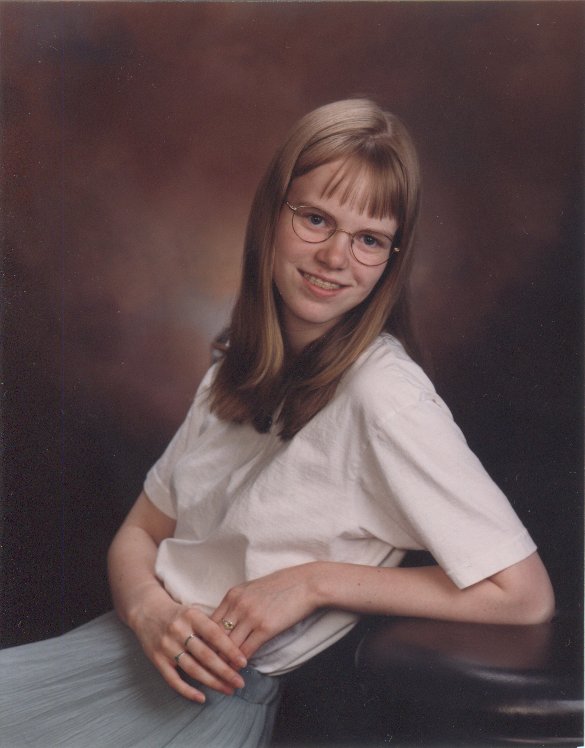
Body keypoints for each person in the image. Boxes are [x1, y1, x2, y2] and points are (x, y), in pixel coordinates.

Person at [0, 99, 554, 747]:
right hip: (118, 649)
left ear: (391, 259)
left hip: (201, 699)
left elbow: (523, 594)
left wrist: (314, 582)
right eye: (315, 219)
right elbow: (140, 532)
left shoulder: (384, 395)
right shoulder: (236, 366)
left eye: (369, 239)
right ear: (271, 214)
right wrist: (149, 610)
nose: (336, 256)